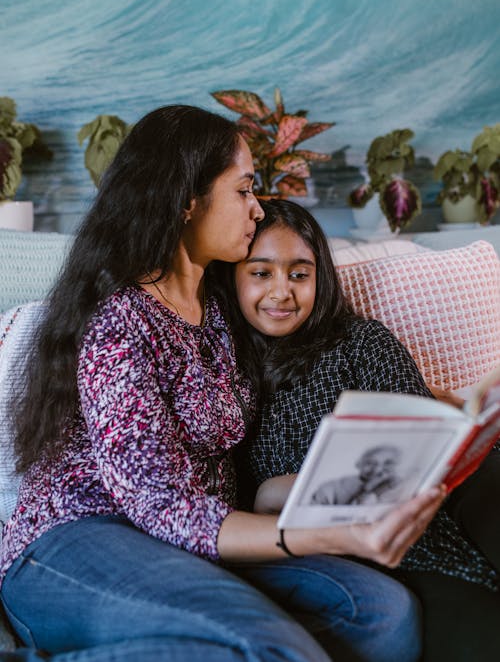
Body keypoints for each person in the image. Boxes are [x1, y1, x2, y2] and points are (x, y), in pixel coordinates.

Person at [0, 106, 445, 662]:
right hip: (80, 540)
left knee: (383, 615)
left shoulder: (220, 306)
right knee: (264, 643)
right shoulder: (118, 322)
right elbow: (163, 507)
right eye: (243, 190)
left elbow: (310, 342)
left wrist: (445, 410)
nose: (257, 209)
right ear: (188, 200)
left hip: (196, 545)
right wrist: (331, 536)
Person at [213, 197, 500, 662]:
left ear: (319, 278)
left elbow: (423, 435)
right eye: (261, 273)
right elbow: (237, 508)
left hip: (425, 518)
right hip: (334, 557)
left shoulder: (361, 341)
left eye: (299, 274)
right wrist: (273, 493)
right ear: (233, 277)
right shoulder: (223, 375)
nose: (282, 292)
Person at [311, 445, 403, 505]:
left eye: (388, 464)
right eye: (370, 463)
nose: (378, 470)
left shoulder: (401, 486)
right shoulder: (330, 489)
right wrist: (369, 490)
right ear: (359, 464)